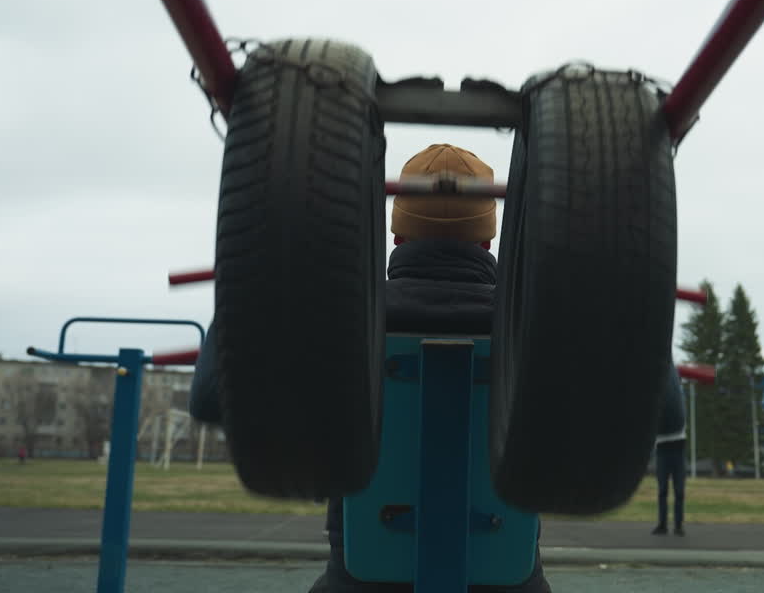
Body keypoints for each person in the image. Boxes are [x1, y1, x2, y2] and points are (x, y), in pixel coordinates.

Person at [191, 144, 550, 593]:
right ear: (487, 240)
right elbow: (664, 414)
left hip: (358, 582)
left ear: (397, 236)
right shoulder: (539, 324)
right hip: (512, 584)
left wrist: (244, 289)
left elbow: (208, 398)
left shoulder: (338, 318)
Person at [652, 359, 687, 536]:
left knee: (679, 491)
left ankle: (678, 526)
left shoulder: (678, 396)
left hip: (678, 448)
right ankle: (662, 525)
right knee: (662, 490)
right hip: (663, 449)